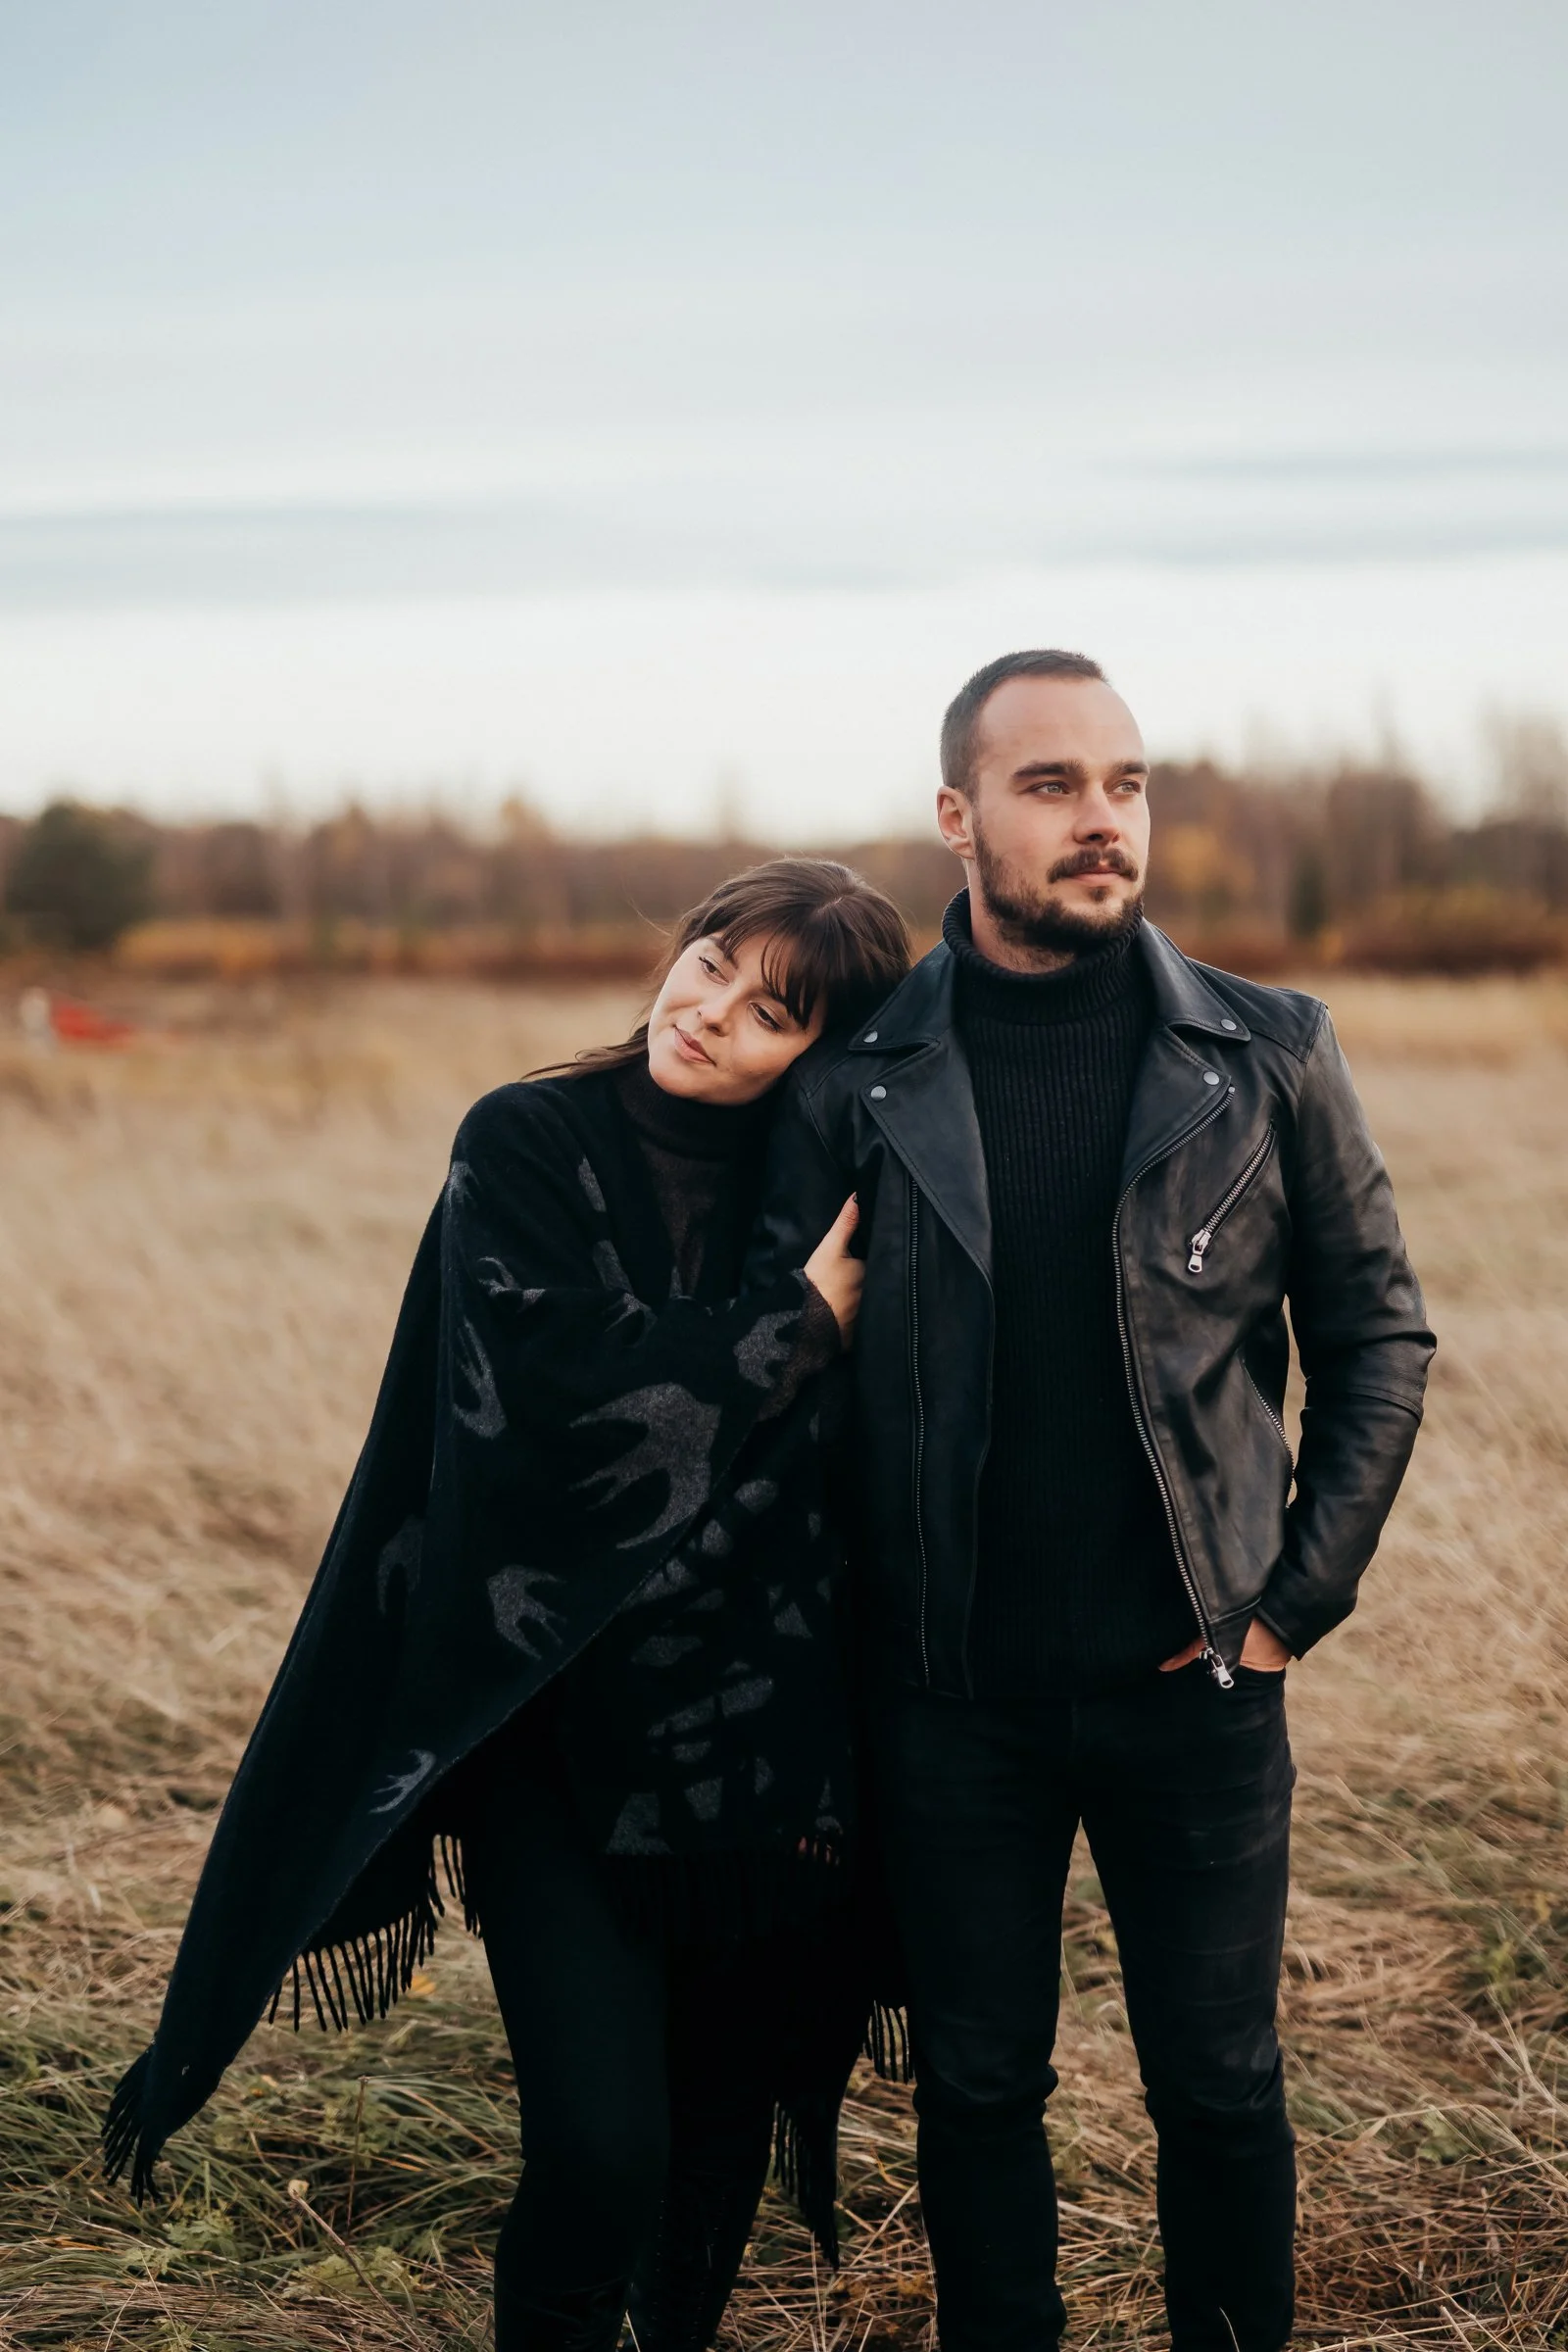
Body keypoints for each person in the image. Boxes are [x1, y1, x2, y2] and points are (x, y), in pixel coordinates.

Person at [105, 858, 911, 2352]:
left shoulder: (839, 1198)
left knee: (711, 2152)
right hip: (556, 1728)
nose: (712, 1012)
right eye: (712, 962)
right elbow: (550, 1392)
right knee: (602, 2148)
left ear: (829, 1055)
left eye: (774, 1013)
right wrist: (791, 1329)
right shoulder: (530, 1138)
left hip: (767, 1751)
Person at [748, 653, 1437, 2352]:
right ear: (957, 816)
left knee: (1218, 2089)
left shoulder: (1267, 1053)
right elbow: (778, 1378)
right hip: (947, 1701)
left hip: (1195, 1686)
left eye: (1125, 782)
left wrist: (1285, 1609)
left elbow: (1379, 1337)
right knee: (978, 2092)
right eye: (1051, 784)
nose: (1101, 819)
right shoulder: (854, 1084)